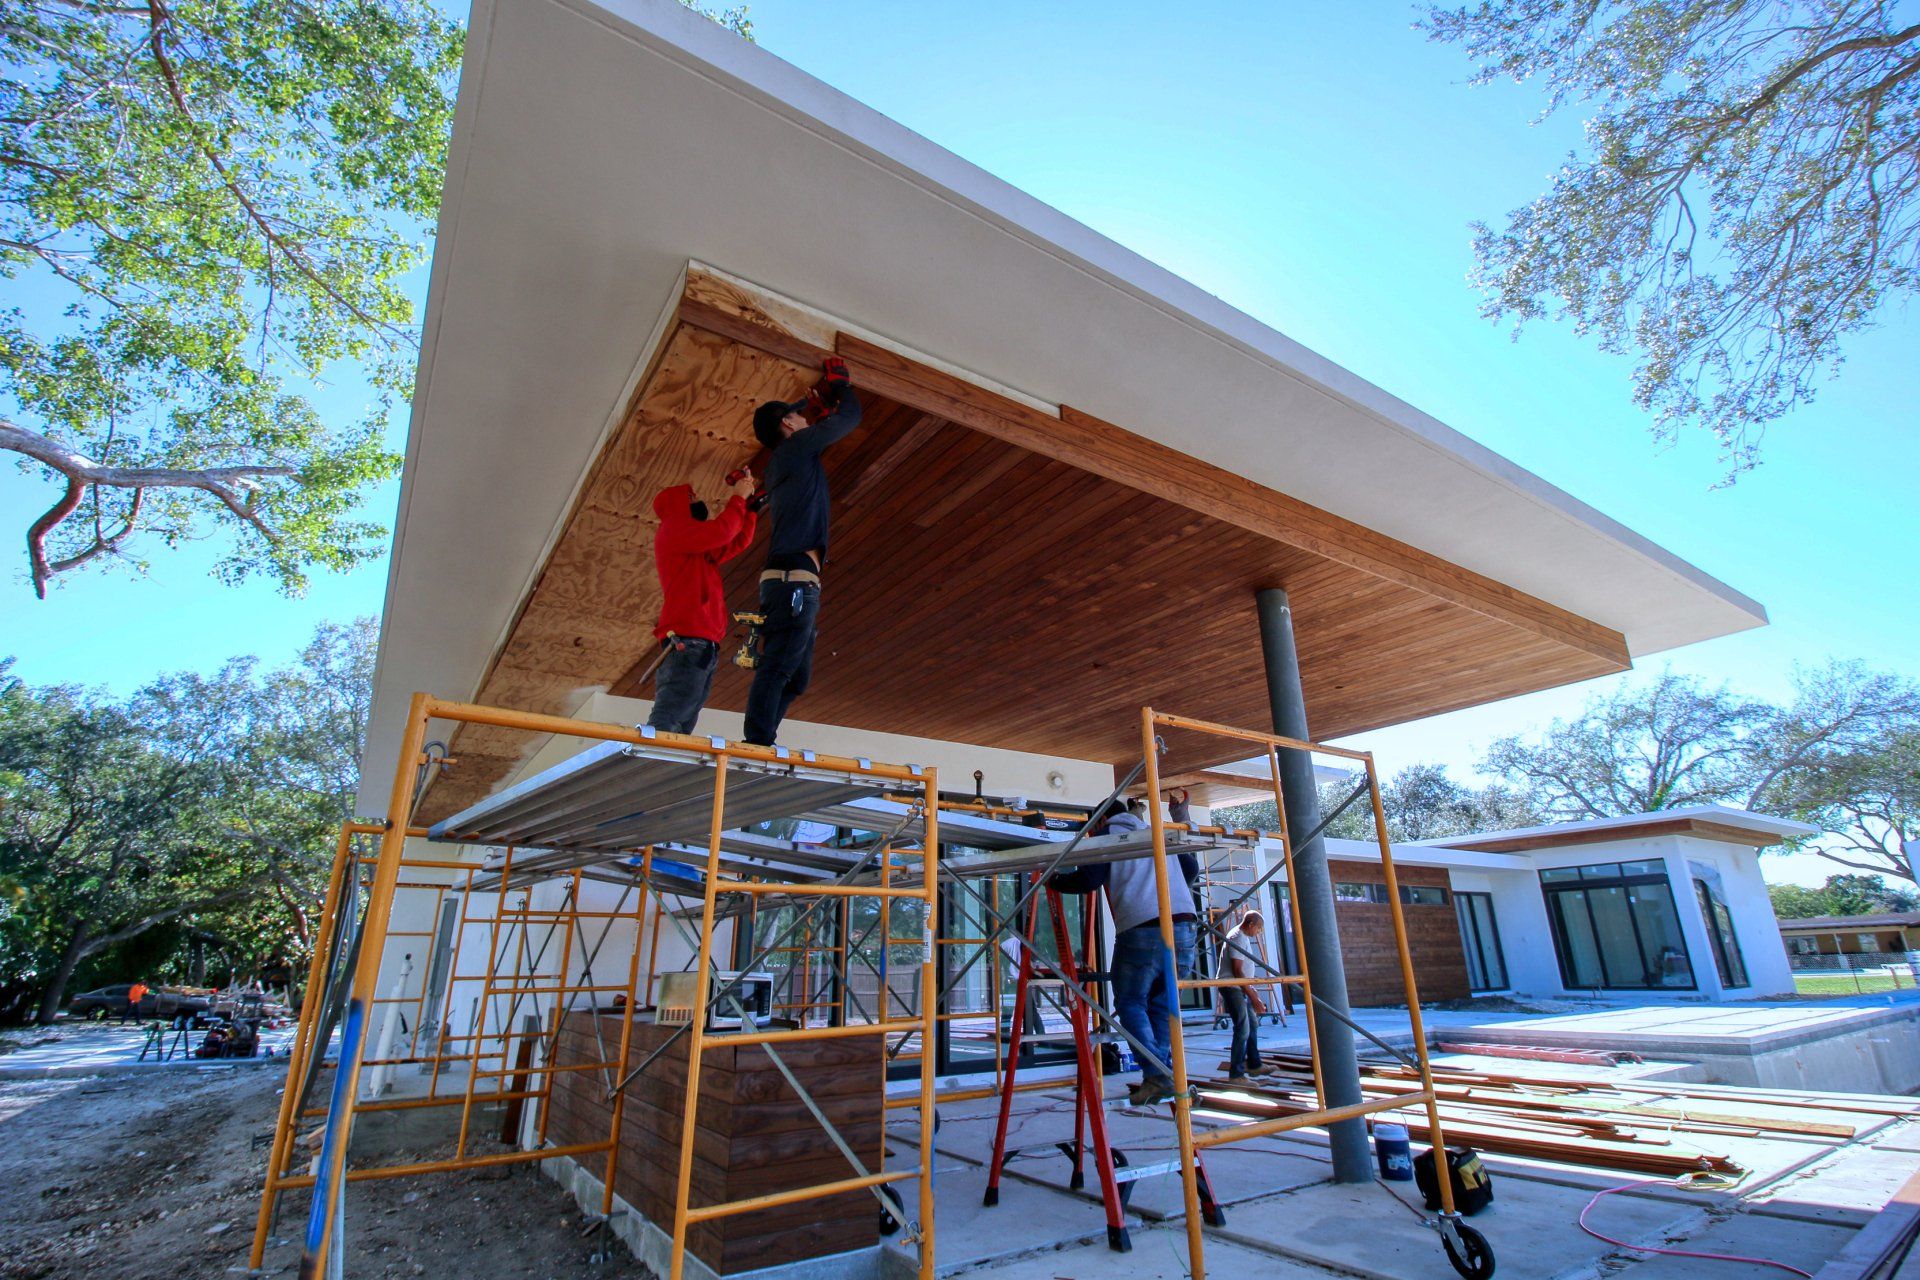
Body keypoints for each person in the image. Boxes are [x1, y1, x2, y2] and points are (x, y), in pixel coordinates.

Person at [742, 359, 861, 746]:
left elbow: (823, 437)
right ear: (788, 425)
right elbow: (850, 419)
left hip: (793, 579)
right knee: (780, 669)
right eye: (798, 416)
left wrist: (822, 415)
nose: (804, 419)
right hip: (793, 579)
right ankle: (758, 743)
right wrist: (841, 389)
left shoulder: (791, 458)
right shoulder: (793, 450)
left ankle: (762, 740)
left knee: (796, 677)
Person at [1050, 799, 1200, 1106]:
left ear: (1102, 818)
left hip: (1144, 927)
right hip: (1185, 926)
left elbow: (1088, 880)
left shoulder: (1108, 836)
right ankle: (1159, 1076)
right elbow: (1191, 869)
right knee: (1159, 1004)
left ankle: (1159, 1076)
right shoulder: (1154, 832)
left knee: (1131, 1001)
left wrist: (1051, 879)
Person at [645, 473, 758, 734]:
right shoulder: (674, 529)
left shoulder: (693, 546)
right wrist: (738, 499)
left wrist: (749, 512)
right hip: (689, 639)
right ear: (677, 505)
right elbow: (722, 531)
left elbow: (736, 541)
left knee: (683, 717)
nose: (697, 501)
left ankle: (665, 765)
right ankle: (653, 760)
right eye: (691, 498)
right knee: (672, 714)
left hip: (700, 642)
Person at [1221, 912, 1274, 1081]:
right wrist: (1252, 996)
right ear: (1250, 924)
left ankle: (1254, 1064)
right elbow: (1237, 970)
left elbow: (1241, 971)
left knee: (1252, 1024)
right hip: (1231, 987)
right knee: (1242, 1028)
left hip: (1240, 986)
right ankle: (1236, 1074)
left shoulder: (1242, 935)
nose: (1258, 932)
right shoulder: (1238, 937)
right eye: (1258, 928)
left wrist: (1250, 989)